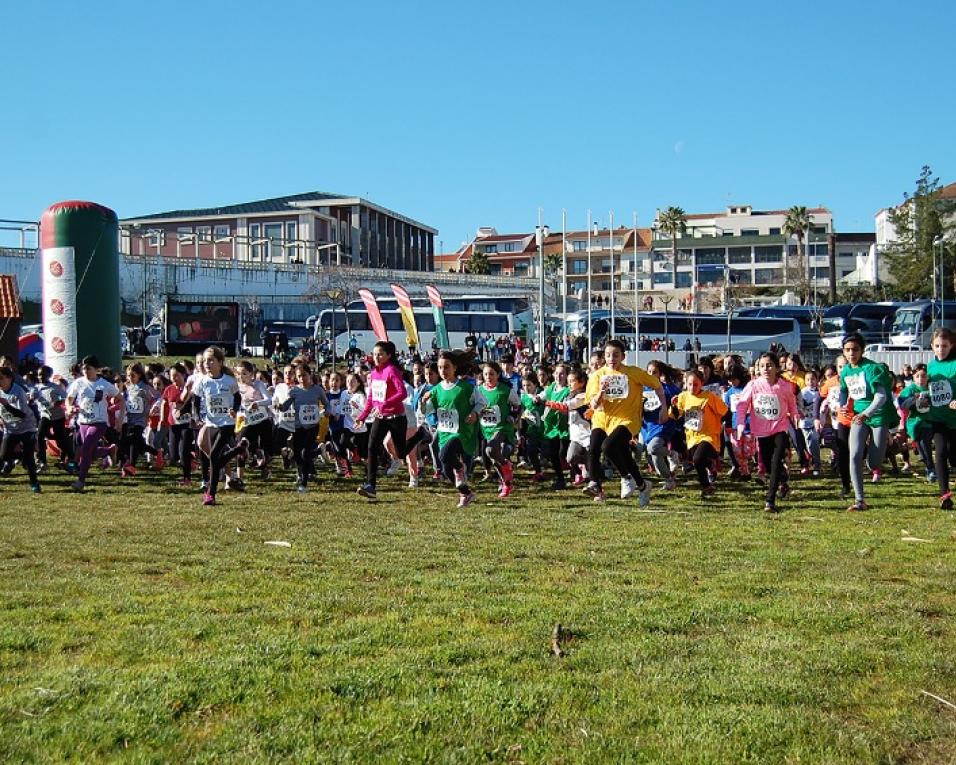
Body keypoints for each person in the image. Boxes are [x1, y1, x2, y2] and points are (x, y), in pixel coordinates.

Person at [583, 339, 664, 504]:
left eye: (616, 355)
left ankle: (627, 477)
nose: (611, 359)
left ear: (623, 356)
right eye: (608, 355)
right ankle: (599, 484)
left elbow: (657, 385)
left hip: (627, 419)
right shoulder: (597, 376)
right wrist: (601, 393)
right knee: (595, 447)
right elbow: (592, 404)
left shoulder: (633, 372)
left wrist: (663, 407)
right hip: (602, 419)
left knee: (608, 446)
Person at [354, 341, 431, 500]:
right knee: (371, 447)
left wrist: (384, 404)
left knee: (401, 453)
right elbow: (371, 398)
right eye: (375, 354)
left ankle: (420, 434)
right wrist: (362, 417)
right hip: (380, 417)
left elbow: (402, 393)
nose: (377, 357)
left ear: (388, 355)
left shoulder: (392, 371)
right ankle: (370, 486)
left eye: (380, 354)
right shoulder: (374, 373)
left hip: (397, 417)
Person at [180, 346, 248, 506]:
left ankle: (210, 494)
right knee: (214, 458)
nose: (207, 363)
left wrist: (234, 410)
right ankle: (238, 449)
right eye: (205, 361)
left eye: (211, 360)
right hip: (211, 423)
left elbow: (237, 397)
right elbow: (195, 401)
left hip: (227, 423)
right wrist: (197, 417)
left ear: (220, 362)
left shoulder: (229, 381)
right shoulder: (202, 381)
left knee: (215, 455)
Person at [839, 333, 899, 512]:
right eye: (847, 350)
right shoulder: (846, 371)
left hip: (878, 415)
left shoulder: (872, 369)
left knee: (874, 463)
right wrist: (842, 405)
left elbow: (881, 397)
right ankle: (859, 500)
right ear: (843, 351)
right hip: (858, 416)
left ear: (862, 350)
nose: (851, 353)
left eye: (855, 349)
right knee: (854, 455)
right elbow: (844, 390)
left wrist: (867, 413)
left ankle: (874, 462)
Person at [735, 352, 800, 513]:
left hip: (779, 428)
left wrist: (795, 415)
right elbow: (742, 405)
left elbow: (792, 403)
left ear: (777, 367)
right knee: (769, 465)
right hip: (761, 431)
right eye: (762, 366)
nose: (765, 369)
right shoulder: (753, 385)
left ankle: (770, 501)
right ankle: (783, 479)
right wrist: (740, 423)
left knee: (776, 461)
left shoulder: (784, 386)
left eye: (769, 365)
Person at [421, 350, 482, 507]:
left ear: (455, 368)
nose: (443, 371)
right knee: (447, 470)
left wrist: (475, 413)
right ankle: (466, 493)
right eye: (440, 368)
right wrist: (424, 402)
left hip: (461, 432)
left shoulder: (465, 387)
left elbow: (483, 402)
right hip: (444, 431)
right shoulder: (436, 390)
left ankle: (460, 467)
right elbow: (427, 411)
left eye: (446, 367)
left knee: (443, 455)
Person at [65, 355, 120, 492]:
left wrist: (119, 418)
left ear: (96, 369)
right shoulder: (78, 383)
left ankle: (80, 481)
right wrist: (69, 407)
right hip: (83, 422)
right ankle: (109, 450)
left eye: (88, 368)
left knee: (85, 450)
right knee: (90, 451)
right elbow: (69, 398)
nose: (85, 371)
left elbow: (121, 398)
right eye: (83, 368)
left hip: (99, 422)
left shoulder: (104, 384)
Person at [672, 368, 728, 498]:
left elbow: (725, 411)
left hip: (709, 435)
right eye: (690, 384)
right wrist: (674, 405)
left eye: (696, 384)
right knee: (698, 460)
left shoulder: (709, 397)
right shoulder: (683, 397)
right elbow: (675, 415)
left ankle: (706, 486)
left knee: (697, 459)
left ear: (702, 383)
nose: (692, 387)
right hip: (692, 436)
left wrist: (724, 425)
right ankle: (710, 467)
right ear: (685, 383)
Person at [276, 363, 327, 492]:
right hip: (298, 427)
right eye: (299, 376)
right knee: (298, 455)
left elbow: (326, 404)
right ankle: (318, 452)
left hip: (313, 426)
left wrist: (328, 411)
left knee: (305, 453)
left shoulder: (317, 390)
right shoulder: (294, 391)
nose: (302, 378)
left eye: (304, 375)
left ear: (310, 374)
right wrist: (280, 406)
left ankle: (303, 483)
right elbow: (285, 406)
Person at [476, 361, 521, 498]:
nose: (488, 377)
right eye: (485, 374)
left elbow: (518, 405)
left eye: (491, 374)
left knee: (490, 450)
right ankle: (506, 482)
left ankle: (506, 465)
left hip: (502, 428)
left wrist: (513, 416)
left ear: (498, 375)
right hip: (486, 429)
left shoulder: (505, 390)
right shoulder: (479, 390)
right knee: (494, 458)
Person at [926, 328, 956, 510]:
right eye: (937, 346)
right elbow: (926, 388)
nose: (940, 349)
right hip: (937, 418)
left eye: (944, 346)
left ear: (951, 345)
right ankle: (944, 495)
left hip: (954, 418)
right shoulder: (930, 366)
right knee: (940, 452)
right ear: (932, 346)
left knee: (953, 458)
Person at [0, 365, 41, 492]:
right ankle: (11, 461)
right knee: (4, 455)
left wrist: (6, 405)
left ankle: (34, 483)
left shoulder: (18, 391)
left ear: (9, 378)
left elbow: (22, 414)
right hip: (11, 428)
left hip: (27, 427)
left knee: (29, 459)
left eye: (1, 378)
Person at [898, 363, 934, 483]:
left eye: (923, 376)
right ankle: (928, 464)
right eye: (918, 376)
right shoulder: (910, 389)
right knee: (919, 444)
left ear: (928, 377)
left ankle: (931, 468)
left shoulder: (932, 387)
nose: (921, 379)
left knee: (925, 443)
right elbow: (902, 404)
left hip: (929, 421)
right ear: (913, 377)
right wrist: (913, 399)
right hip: (914, 422)